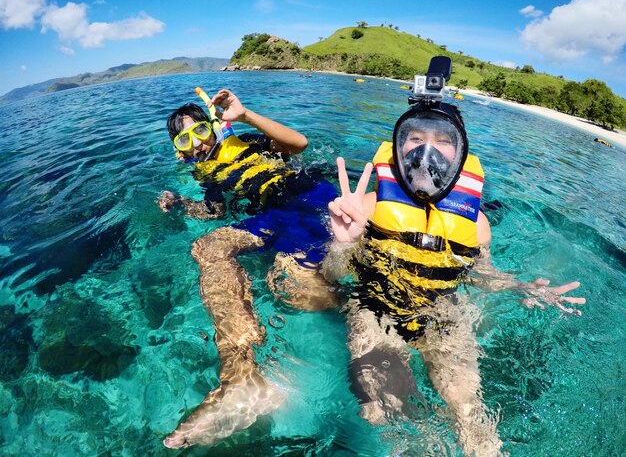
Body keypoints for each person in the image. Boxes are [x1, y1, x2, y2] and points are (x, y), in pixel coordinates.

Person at [321, 100, 586, 456]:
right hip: (377, 307)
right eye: (415, 137)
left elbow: (482, 275)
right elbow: (333, 275)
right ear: (400, 146)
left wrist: (521, 288)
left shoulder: (476, 224)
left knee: (468, 411)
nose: (426, 149)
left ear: (460, 153)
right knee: (380, 407)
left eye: (443, 140)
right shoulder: (366, 206)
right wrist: (343, 243)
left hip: (443, 315)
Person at [159, 88, 339, 449]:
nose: (195, 143)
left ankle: (352, 310)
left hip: (306, 200)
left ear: (213, 127)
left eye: (200, 131)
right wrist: (181, 203)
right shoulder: (204, 171)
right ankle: (241, 376)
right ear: (178, 147)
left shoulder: (249, 141)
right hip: (270, 217)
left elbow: (299, 145)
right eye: (184, 138)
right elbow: (216, 212)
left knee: (288, 287)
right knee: (207, 246)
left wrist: (244, 116)